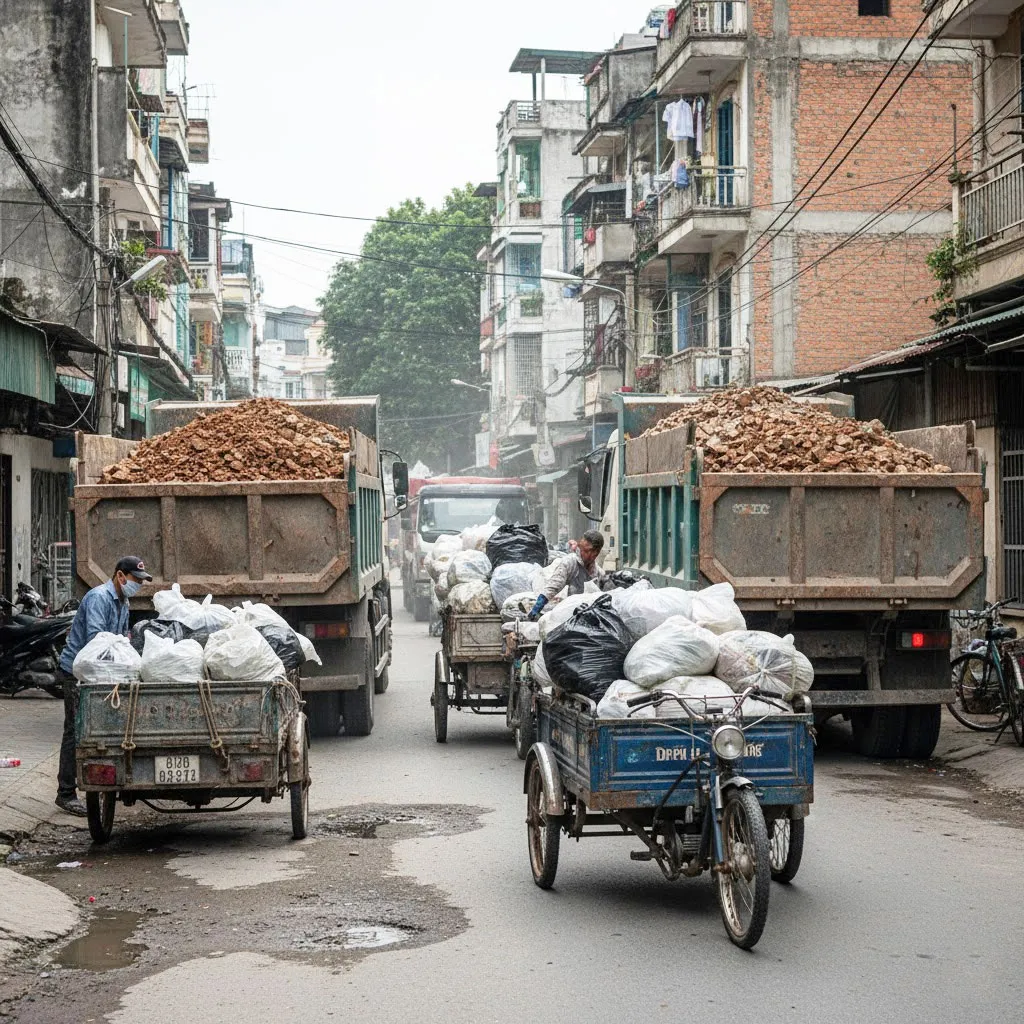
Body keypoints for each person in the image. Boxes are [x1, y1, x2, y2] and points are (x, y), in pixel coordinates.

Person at [54, 555, 152, 816]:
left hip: (101, 672)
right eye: (135, 579)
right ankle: (65, 792)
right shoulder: (99, 598)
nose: (138, 585)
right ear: (121, 576)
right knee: (76, 730)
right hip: (79, 671)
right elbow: (96, 641)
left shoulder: (124, 601)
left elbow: (122, 639)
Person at [528, 530, 605, 621]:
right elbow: (553, 586)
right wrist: (537, 606)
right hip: (571, 616)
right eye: (580, 548)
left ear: (595, 553)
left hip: (592, 617)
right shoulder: (570, 563)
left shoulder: (599, 574)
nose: (580, 552)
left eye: (585, 550)